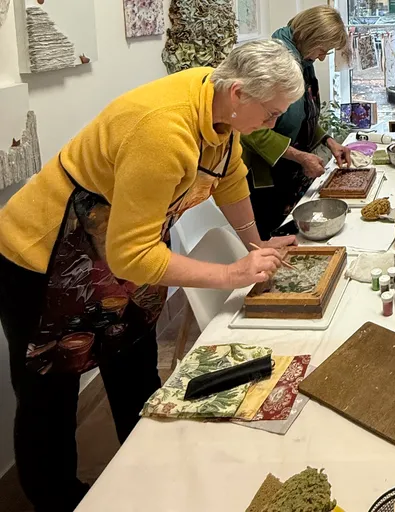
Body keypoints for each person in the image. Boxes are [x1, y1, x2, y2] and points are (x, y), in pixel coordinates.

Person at [0, 39, 304, 511]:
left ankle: (148, 481)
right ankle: (59, 501)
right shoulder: (163, 130)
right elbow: (132, 255)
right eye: (271, 114)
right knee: (49, 399)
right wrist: (231, 273)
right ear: (239, 92)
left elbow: (230, 177)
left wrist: (256, 243)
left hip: (115, 251)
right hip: (46, 258)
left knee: (134, 367)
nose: (271, 124)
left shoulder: (217, 103)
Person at [241, 6, 351, 240]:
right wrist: (300, 157)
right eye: (323, 49)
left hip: (290, 170)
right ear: (310, 36)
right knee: (274, 242)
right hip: (267, 179)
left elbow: (302, 116)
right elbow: (252, 132)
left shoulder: (303, 62)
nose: (322, 57)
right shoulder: (273, 64)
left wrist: (328, 140)